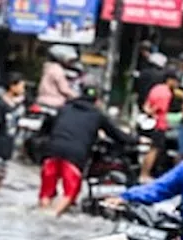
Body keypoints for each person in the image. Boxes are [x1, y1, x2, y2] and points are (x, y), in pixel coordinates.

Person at [39, 85, 133, 214]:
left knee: (46, 191)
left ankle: (43, 213)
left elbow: (46, 127)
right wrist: (136, 139)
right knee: (70, 193)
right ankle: (53, 216)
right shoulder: (97, 115)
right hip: (75, 155)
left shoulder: (64, 108)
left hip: (52, 151)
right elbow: (116, 134)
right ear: (97, 100)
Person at [0, 72, 24, 195]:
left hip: (9, 143)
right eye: (21, 86)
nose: (23, 90)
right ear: (12, 87)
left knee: (1, 173)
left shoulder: (16, 105)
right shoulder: (1, 105)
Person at [140, 68, 179, 181]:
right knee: (154, 150)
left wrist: (148, 112)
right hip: (159, 125)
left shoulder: (156, 88)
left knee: (151, 149)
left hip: (149, 124)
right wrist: (154, 113)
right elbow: (159, 108)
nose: (176, 84)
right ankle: (145, 174)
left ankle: (144, 172)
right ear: (170, 80)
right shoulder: (166, 93)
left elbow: (146, 105)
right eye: (175, 81)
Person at [36, 45, 78, 109]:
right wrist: (78, 96)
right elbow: (64, 89)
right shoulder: (58, 70)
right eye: (70, 60)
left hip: (41, 100)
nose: (71, 63)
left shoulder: (48, 67)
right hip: (55, 103)